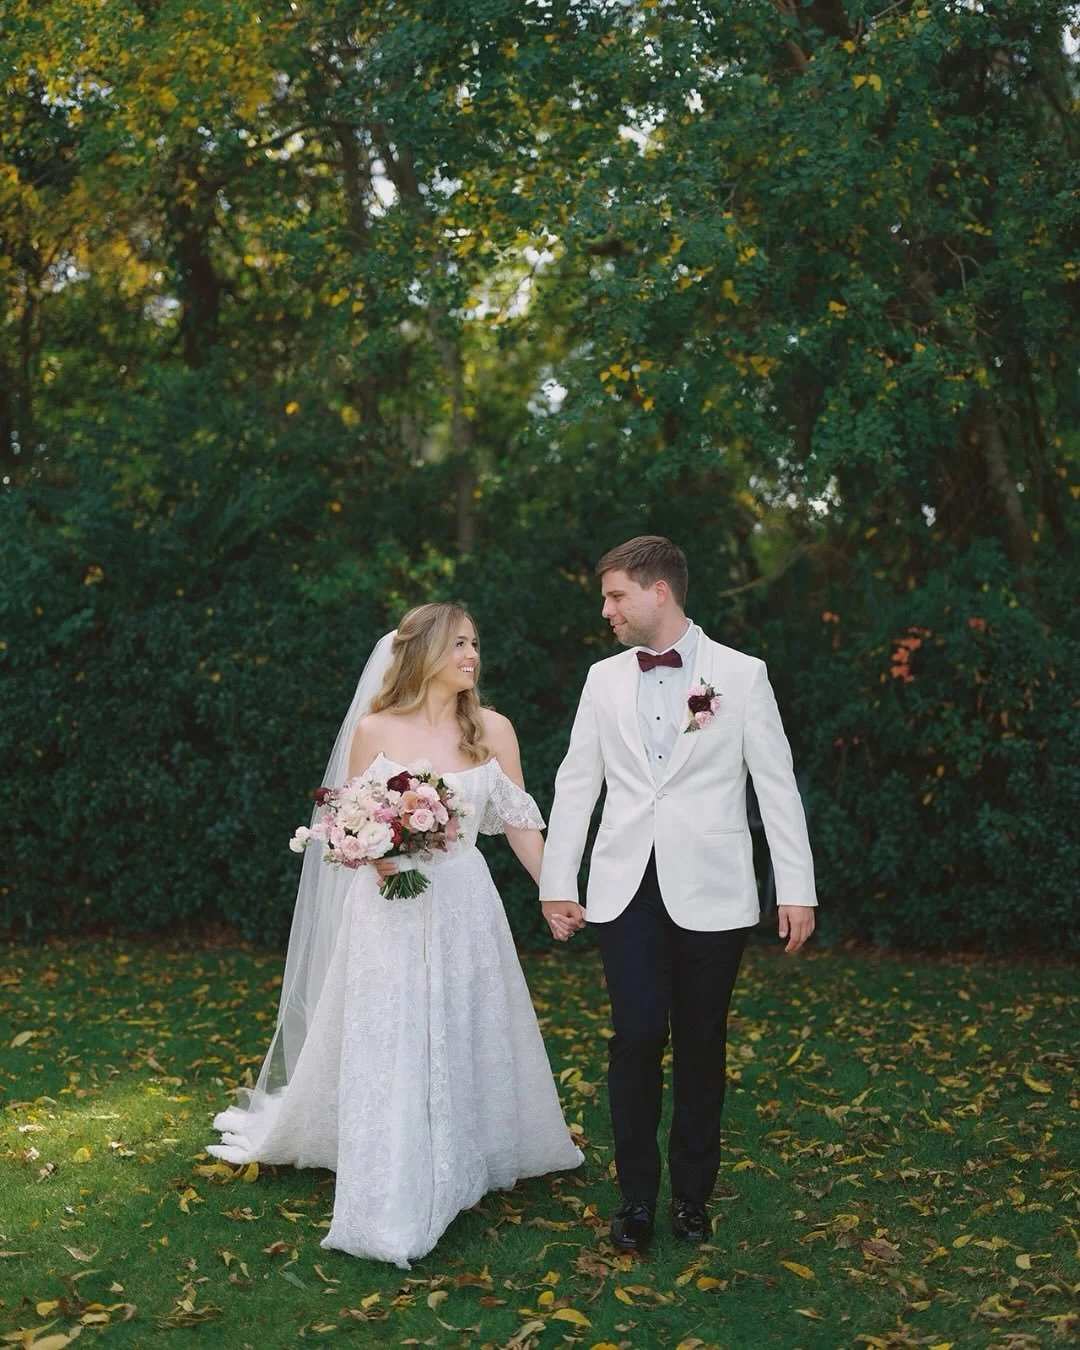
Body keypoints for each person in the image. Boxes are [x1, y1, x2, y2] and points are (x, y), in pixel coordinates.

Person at [208, 603, 582, 1267]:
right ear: (423, 653)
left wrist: (553, 891)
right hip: (388, 905)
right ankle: (395, 1167)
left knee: (462, 1020)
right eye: (458, 644)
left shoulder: (493, 730)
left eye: (475, 643)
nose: (472, 655)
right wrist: (376, 856)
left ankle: (464, 1149)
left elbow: (520, 822)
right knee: (394, 1031)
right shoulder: (374, 728)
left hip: (465, 902)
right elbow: (348, 820)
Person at [539, 536, 816, 1252]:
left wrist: (796, 887)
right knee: (635, 1036)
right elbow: (577, 782)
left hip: (714, 887)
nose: (606, 610)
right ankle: (636, 1198)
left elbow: (776, 784)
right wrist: (557, 882)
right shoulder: (602, 680)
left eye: (616, 596)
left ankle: (692, 1199)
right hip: (625, 884)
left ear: (658, 591)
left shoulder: (742, 675)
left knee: (701, 1040)